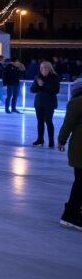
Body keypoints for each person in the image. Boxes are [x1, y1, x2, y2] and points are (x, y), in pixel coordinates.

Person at [58, 78, 82, 231]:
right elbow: (68, 124)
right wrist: (61, 140)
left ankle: (74, 211)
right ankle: (70, 215)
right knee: (80, 182)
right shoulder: (77, 102)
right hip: (80, 148)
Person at [31, 61, 60, 147]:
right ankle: (40, 139)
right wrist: (38, 84)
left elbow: (56, 90)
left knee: (48, 121)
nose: (43, 69)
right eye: (42, 68)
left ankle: (51, 141)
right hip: (39, 103)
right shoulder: (38, 77)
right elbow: (32, 89)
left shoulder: (54, 77)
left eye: (45, 67)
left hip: (49, 103)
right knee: (40, 122)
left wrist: (43, 85)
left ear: (49, 68)